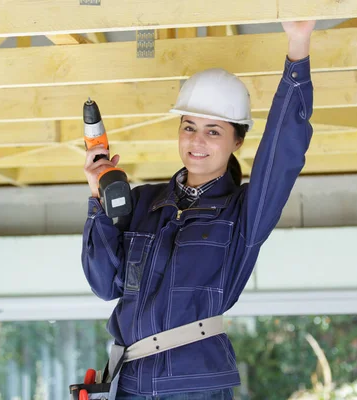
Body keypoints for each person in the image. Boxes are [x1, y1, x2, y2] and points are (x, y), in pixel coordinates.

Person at [82, 20, 316, 400]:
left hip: (193, 385)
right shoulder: (143, 202)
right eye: (189, 126)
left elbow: (283, 151)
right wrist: (98, 201)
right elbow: (103, 283)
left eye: (213, 131)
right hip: (126, 382)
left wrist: (298, 46)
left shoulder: (242, 213)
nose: (197, 141)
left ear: (237, 141)